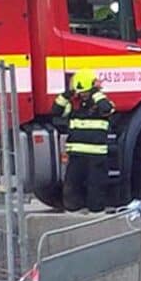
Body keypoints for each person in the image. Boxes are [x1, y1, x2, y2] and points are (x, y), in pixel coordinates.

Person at [51, 69, 114, 212]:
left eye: (85, 92)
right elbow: (56, 110)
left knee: (96, 186)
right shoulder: (74, 104)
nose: (83, 95)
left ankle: (96, 214)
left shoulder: (101, 103)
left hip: (96, 156)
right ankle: (74, 212)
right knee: (72, 185)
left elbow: (108, 109)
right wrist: (67, 95)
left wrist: (95, 93)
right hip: (76, 155)